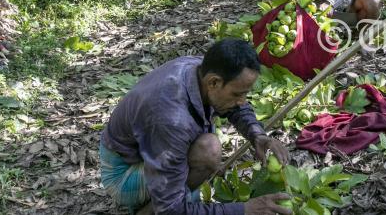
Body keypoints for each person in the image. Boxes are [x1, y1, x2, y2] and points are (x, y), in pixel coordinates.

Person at [99, 39, 292, 215]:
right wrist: (243, 210)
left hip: (153, 149)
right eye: (236, 94)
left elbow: (236, 107)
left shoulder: (203, 70)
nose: (242, 102)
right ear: (214, 82)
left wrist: (257, 135)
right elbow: (171, 211)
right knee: (208, 151)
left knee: (207, 149)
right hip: (123, 172)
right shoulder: (171, 119)